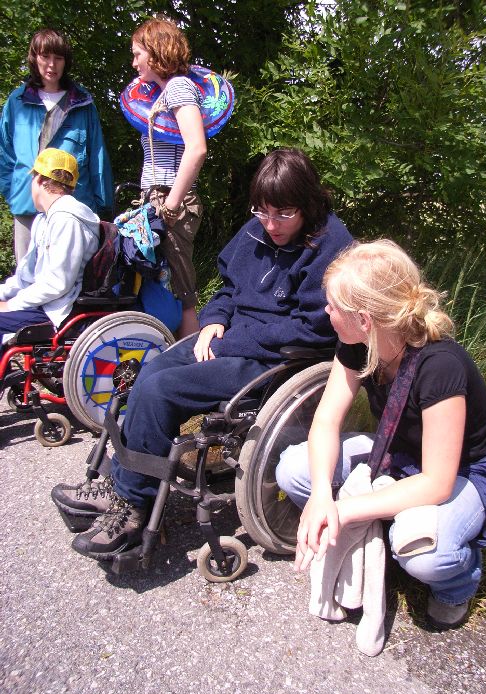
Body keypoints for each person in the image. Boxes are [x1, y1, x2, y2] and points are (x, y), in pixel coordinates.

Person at [51, 148, 353, 559]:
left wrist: (230, 341)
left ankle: (132, 507)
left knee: (160, 392)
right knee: (148, 373)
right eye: (262, 212)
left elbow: (313, 328)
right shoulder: (257, 230)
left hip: (271, 359)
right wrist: (214, 320)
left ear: (308, 202)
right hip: (229, 339)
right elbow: (228, 288)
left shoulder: (331, 246)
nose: (270, 224)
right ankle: (120, 482)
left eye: (283, 214)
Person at [276, 239, 486, 631]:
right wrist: (320, 495)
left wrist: (343, 511)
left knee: (425, 554)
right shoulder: (357, 345)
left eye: (333, 305)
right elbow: (326, 421)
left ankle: (457, 581)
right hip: (394, 453)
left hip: (459, 472)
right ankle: (379, 538)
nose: (326, 311)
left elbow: (437, 482)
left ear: (364, 319)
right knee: (294, 470)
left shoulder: (441, 366)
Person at [0, 28, 112, 262]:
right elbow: (5, 153)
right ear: (34, 58)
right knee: (26, 276)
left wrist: (103, 208)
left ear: (65, 61)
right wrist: (14, 192)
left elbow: (97, 158)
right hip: (27, 208)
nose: (52, 64)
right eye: (45, 56)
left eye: (58, 58)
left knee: (70, 277)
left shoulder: (82, 103)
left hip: (72, 210)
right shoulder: (16, 102)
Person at [130, 17, 207, 337]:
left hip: (171, 198)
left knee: (182, 291)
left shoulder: (178, 87)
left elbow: (197, 148)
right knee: (165, 285)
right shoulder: (163, 92)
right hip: (159, 197)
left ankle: (191, 360)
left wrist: (171, 205)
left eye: (138, 54)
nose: (134, 63)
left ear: (156, 51)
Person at [0, 148, 100, 354]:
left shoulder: (67, 220)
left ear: (39, 180)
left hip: (57, 312)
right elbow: (26, 277)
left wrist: (11, 305)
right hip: (44, 304)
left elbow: (58, 283)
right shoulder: (44, 219)